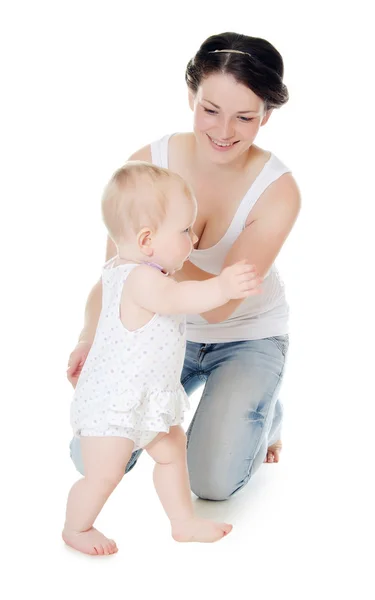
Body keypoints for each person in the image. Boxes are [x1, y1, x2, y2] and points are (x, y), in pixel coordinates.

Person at [67, 31, 301, 503]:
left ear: (267, 116)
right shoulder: (148, 165)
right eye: (210, 109)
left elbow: (218, 308)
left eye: (245, 117)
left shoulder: (278, 190)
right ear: (191, 95)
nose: (223, 130)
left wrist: (156, 259)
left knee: (211, 482)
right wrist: (89, 338)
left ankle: (264, 412)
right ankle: (234, 410)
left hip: (245, 334)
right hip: (160, 333)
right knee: (92, 456)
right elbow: (113, 279)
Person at [63, 161, 261, 555]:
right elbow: (179, 299)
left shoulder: (128, 269)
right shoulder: (142, 280)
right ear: (148, 240)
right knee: (104, 475)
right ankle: (76, 528)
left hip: (145, 400)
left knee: (171, 452)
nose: (193, 240)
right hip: (115, 406)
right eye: (185, 231)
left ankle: (183, 522)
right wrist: (222, 286)